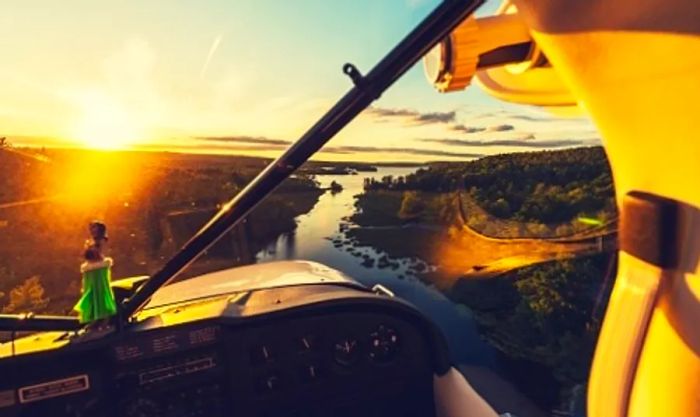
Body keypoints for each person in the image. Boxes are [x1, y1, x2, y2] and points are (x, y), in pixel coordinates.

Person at [73, 222, 117, 328]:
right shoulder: (91, 241)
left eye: (95, 229)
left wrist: (93, 253)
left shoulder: (101, 241)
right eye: (92, 229)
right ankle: (93, 319)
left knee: (100, 293)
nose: (93, 231)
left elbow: (99, 254)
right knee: (90, 293)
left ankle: (103, 319)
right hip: (91, 270)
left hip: (98, 269)